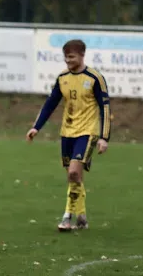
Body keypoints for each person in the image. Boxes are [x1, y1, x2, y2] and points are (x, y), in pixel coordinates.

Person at [26, 39, 111, 232]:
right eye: (65, 57)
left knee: (73, 172)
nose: (68, 61)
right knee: (74, 176)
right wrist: (36, 127)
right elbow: (50, 104)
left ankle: (67, 217)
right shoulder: (62, 78)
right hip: (67, 133)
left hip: (88, 133)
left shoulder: (95, 78)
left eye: (71, 57)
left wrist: (104, 137)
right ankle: (82, 217)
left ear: (82, 55)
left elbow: (105, 108)